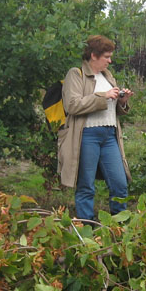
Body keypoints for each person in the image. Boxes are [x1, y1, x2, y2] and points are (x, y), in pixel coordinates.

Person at [57, 35, 133, 221]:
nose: (110, 60)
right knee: (86, 186)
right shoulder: (76, 74)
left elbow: (112, 108)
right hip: (87, 136)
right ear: (93, 55)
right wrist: (103, 96)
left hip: (109, 135)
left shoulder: (108, 76)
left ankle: (119, 224)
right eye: (106, 56)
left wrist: (122, 101)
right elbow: (72, 105)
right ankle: (86, 228)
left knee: (120, 183)